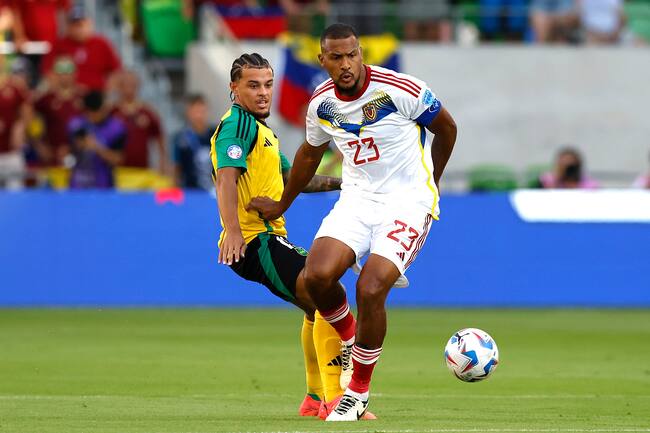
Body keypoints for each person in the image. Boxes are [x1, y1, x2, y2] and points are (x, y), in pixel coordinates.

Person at [250, 23, 457, 421]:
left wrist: (433, 178)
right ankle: (348, 337)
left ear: (361, 52)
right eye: (336, 57)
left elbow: (447, 128)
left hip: (406, 202)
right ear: (322, 59)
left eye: (352, 55)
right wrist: (280, 205)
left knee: (370, 287)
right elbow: (309, 156)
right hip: (358, 199)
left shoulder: (401, 89)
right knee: (316, 277)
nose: (346, 64)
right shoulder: (321, 104)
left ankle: (357, 392)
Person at [211, 53, 374, 419]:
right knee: (327, 294)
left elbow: (295, 180)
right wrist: (233, 232)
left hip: (267, 239)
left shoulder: (262, 132)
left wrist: (346, 180)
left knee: (316, 303)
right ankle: (335, 399)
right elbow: (226, 177)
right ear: (234, 89)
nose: (263, 93)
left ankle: (315, 398)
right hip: (256, 240)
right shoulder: (237, 125)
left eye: (268, 84)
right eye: (253, 85)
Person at [41, 5, 121, 92]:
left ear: (90, 24)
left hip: (96, 93)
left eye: (81, 25)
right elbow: (48, 72)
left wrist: (107, 92)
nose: (78, 29)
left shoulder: (101, 43)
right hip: (69, 95)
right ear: (68, 26)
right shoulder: (59, 45)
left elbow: (116, 72)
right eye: (74, 25)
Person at [112, 70, 169, 175]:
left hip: (142, 171)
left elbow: (159, 136)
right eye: (126, 85)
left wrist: (162, 161)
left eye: (132, 85)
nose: (129, 89)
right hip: (118, 171)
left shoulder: (147, 112)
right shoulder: (112, 112)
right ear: (120, 87)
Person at [68, 91, 126, 188]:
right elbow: (67, 154)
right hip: (78, 185)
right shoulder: (75, 125)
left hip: (103, 186)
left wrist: (97, 148)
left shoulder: (116, 128)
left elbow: (118, 159)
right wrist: (78, 146)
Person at [34, 56, 83, 167]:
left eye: (68, 71)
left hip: (79, 157)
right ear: (55, 74)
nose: (65, 76)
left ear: (75, 74)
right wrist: (39, 145)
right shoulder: (46, 99)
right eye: (61, 72)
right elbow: (30, 119)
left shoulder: (82, 98)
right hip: (52, 157)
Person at [173, 94, 216, 190]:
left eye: (202, 111)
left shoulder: (216, 134)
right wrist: (176, 188)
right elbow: (177, 167)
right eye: (195, 112)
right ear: (188, 113)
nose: (199, 116)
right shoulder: (181, 138)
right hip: (190, 191)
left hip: (213, 191)